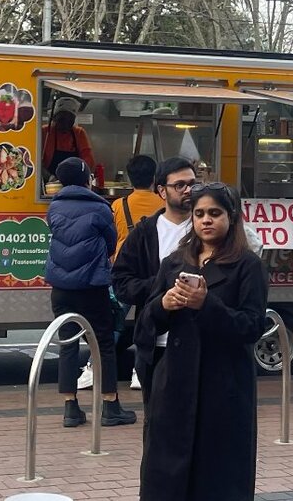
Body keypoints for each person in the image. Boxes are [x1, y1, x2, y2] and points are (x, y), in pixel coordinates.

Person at [137, 182, 267, 500]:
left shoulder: (248, 266)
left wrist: (206, 304)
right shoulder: (175, 262)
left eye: (214, 213)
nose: (206, 220)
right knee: (166, 472)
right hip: (175, 384)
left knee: (217, 475)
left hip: (224, 387)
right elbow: (145, 324)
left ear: (231, 217)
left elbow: (251, 326)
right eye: (199, 214)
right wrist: (163, 305)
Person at [45, 157, 136, 428]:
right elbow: (110, 244)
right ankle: (110, 405)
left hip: (60, 287)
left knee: (67, 345)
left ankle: (70, 408)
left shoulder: (55, 206)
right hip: (92, 287)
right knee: (103, 344)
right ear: (87, 179)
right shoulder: (100, 207)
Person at [114, 157, 196, 410]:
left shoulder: (206, 227)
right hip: (156, 342)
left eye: (193, 184)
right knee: (157, 419)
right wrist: (161, 289)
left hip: (200, 341)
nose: (188, 191)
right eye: (180, 185)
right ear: (162, 190)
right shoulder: (145, 232)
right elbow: (121, 282)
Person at [77, 155, 164, 391]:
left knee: (113, 322)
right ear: (155, 178)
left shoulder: (118, 205)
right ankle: (140, 372)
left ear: (129, 178)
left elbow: (111, 239)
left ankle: (94, 369)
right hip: (154, 273)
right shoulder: (162, 205)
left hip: (123, 273)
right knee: (151, 323)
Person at [42, 97, 96, 180]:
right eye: (62, 119)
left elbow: (88, 159)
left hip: (75, 181)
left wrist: (80, 176)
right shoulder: (45, 132)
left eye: (70, 120)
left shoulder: (79, 133)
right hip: (49, 183)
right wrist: (49, 177)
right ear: (54, 118)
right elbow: (36, 161)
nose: (65, 124)